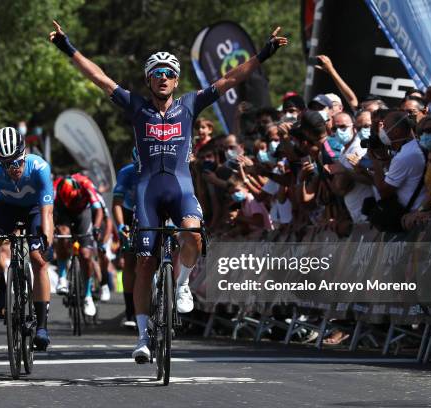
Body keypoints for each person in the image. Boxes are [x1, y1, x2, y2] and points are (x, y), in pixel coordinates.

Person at [49, 20, 287, 363]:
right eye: (157, 72)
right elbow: (99, 78)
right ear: (149, 79)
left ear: (176, 80)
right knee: (144, 262)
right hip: (148, 191)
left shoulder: (190, 104)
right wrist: (68, 48)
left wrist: (264, 53)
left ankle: (183, 282)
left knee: (192, 235)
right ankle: (143, 336)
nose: (163, 77)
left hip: (180, 187)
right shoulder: (136, 106)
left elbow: (231, 78)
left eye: (169, 73)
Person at [0, 127, 54, 351]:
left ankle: (42, 328)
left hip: (35, 209)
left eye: (16, 162)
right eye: (6, 164)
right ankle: (2, 291)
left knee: (38, 259)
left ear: (24, 154)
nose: (13, 168)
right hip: (6, 208)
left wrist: (47, 239)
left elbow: (47, 213)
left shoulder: (40, 167)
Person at [53, 173, 104, 317]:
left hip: (83, 213)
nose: (70, 202)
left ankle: (88, 295)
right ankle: (62, 277)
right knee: (62, 235)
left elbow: (98, 210)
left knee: (86, 255)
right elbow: (47, 210)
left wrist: (97, 228)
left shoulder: (86, 184)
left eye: (72, 199)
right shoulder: (56, 187)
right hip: (63, 212)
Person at [112, 149, 139, 327]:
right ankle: (130, 311)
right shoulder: (126, 172)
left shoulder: (156, 169)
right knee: (129, 261)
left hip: (151, 209)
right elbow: (117, 204)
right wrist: (122, 226)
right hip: (130, 212)